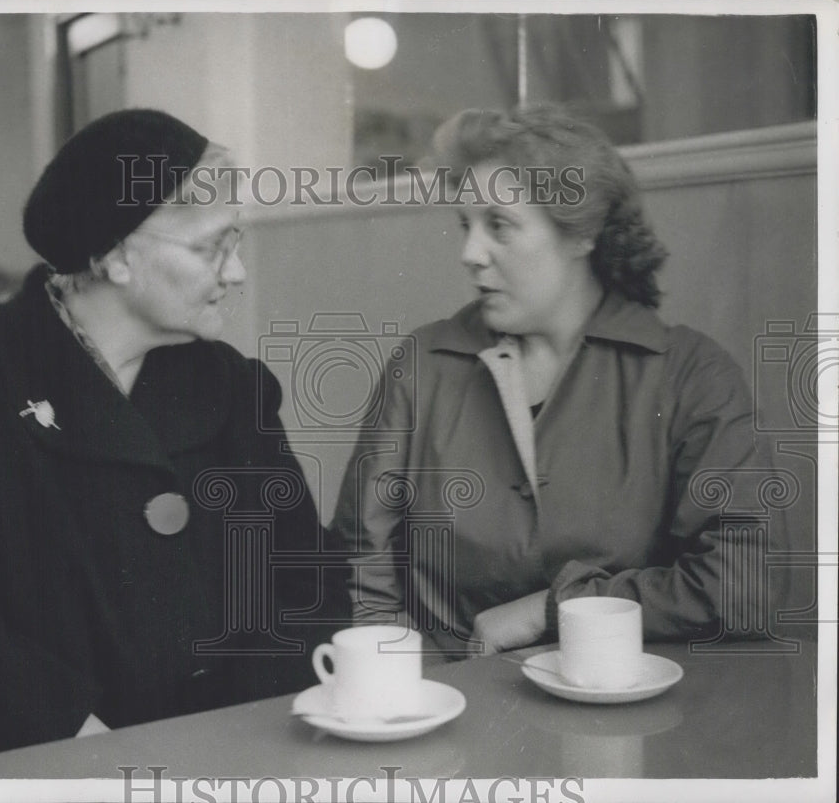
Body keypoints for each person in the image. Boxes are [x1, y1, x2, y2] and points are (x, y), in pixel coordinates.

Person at [0, 109, 349, 775]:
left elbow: (308, 586)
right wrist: (80, 736)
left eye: (234, 241)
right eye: (210, 247)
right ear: (116, 256)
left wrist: (228, 743)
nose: (235, 272)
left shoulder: (233, 387)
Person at [331, 104, 784, 659]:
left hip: (629, 701)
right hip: (450, 697)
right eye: (466, 226)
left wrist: (555, 608)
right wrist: (411, 682)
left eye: (499, 225)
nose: (469, 254)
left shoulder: (694, 375)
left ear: (582, 235)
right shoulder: (422, 366)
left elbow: (742, 589)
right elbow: (361, 573)